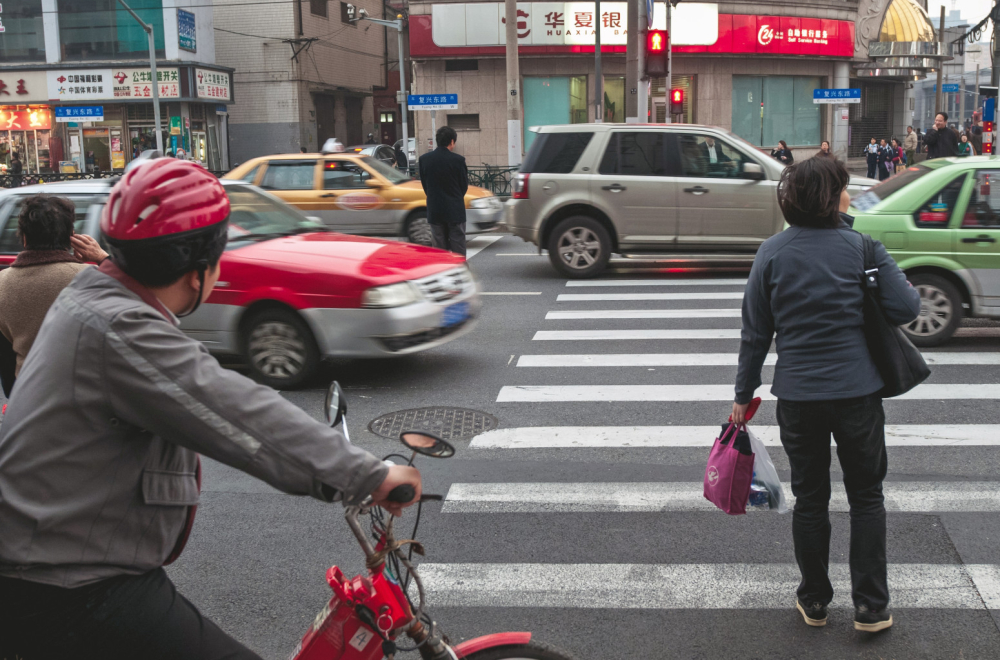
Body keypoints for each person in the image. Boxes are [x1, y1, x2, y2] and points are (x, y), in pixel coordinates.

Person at [0, 159, 422, 659]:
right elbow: (235, 409)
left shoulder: (92, 297)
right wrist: (367, 474)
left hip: (53, 560)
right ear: (199, 262)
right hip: (70, 585)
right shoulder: (122, 329)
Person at [733, 156, 920, 635]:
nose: (848, 197)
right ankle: (872, 608)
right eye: (843, 190)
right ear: (829, 197)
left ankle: (814, 601)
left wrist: (743, 395)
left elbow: (756, 335)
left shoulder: (771, 253)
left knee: (811, 499)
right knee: (866, 497)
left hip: (798, 397)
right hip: (858, 393)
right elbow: (905, 307)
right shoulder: (862, 247)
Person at [0, 195, 108, 396]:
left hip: (28, 396)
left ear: (24, 238)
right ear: (72, 237)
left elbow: (6, 358)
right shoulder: (91, 279)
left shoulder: (2, 283)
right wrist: (103, 258)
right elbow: (138, 300)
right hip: (85, 396)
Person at [419, 126, 469, 256]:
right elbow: (463, 186)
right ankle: (459, 274)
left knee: (439, 250)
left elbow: (425, 186)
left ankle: (442, 274)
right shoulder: (458, 160)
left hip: (435, 210)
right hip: (455, 211)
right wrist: (455, 197)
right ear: (452, 141)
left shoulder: (424, 160)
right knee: (458, 249)